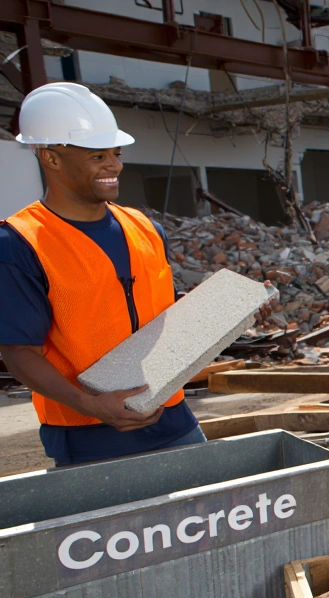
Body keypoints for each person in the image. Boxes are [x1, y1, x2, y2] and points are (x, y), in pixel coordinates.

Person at [0, 83, 208, 467]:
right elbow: (18, 351)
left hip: (174, 419)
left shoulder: (145, 227)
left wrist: (229, 311)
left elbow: (156, 313)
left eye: (116, 153)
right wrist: (92, 404)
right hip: (88, 436)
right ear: (51, 158)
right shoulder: (19, 243)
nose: (115, 165)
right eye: (98, 155)